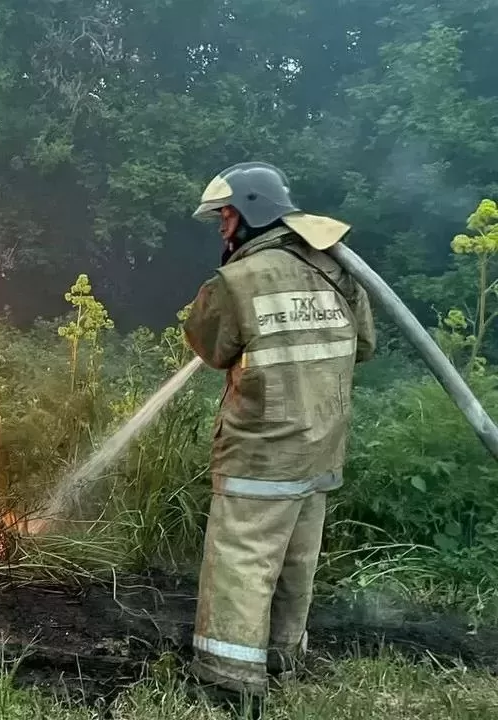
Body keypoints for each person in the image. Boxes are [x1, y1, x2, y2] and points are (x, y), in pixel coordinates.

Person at [181, 162, 377, 715]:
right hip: (320, 445)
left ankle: (228, 678)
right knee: (297, 557)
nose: (222, 228)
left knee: (242, 557)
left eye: (226, 216)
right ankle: (281, 657)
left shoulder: (240, 280)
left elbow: (210, 345)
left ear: (252, 209)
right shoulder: (338, 268)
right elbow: (362, 345)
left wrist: (225, 285)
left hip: (262, 449)